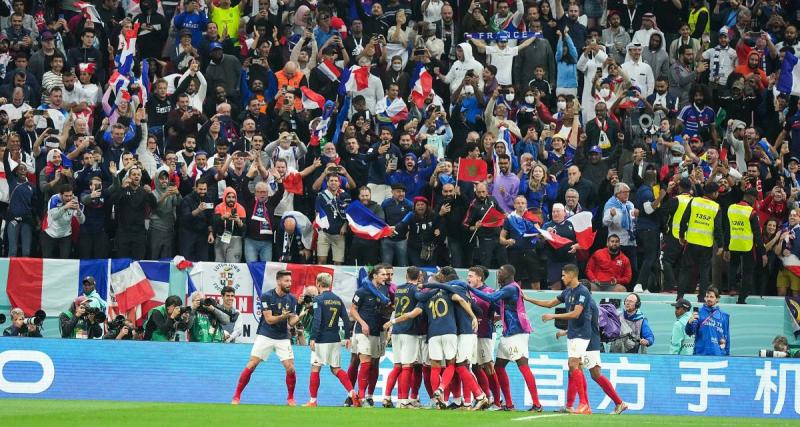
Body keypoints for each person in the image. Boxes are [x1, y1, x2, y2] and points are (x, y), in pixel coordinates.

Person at [469, 264, 543, 412]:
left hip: (517, 333)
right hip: (508, 333)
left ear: (509, 274)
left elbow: (491, 298)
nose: (498, 274)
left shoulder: (511, 288)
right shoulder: (506, 289)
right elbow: (498, 305)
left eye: (501, 271)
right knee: (498, 367)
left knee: (523, 366)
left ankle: (537, 404)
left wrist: (470, 289)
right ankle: (507, 404)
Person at [232, 270, 299, 405]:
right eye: (286, 281)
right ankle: (236, 396)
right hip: (266, 334)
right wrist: (283, 317)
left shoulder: (292, 299)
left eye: (290, 281)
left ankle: (290, 398)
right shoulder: (266, 296)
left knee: (290, 368)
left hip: (282, 337)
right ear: (278, 281)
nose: (289, 284)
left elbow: (290, 322)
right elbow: (268, 319)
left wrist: (296, 318)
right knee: (252, 364)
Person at [532, 264, 592, 415]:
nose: (562, 277)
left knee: (573, 364)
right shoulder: (567, 291)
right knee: (575, 368)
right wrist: (527, 298)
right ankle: (574, 405)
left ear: (572, 275)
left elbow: (575, 314)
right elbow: (549, 304)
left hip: (582, 333)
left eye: (564, 275)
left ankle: (584, 403)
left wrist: (553, 316)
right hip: (572, 333)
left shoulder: (582, 292)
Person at [305, 272, 359, 407]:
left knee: (315, 368)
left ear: (318, 284)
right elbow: (346, 319)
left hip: (321, 339)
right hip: (335, 339)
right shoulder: (337, 299)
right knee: (336, 368)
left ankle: (312, 401)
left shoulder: (318, 299)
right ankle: (352, 392)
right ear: (330, 284)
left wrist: (313, 337)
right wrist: (347, 336)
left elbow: (317, 319)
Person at [382, 267, 424, 409]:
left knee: (397, 365)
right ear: (418, 277)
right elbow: (418, 304)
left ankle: (387, 397)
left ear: (406, 275)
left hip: (396, 332)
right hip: (409, 330)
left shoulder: (399, 289)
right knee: (407, 366)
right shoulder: (415, 291)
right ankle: (403, 401)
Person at [350, 265, 392, 405]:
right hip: (363, 331)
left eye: (386, 274)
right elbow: (353, 310)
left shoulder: (385, 291)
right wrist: (363, 323)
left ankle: (369, 395)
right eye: (383, 274)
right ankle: (358, 396)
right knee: (363, 362)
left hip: (379, 331)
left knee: (375, 364)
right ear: (374, 275)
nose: (385, 277)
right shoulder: (362, 291)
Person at [678, 182, 723, 301]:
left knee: (685, 270)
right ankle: (702, 297)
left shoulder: (693, 201)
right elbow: (718, 228)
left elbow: (684, 220)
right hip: (706, 244)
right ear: (714, 193)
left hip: (691, 241)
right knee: (704, 272)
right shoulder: (716, 207)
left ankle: (680, 296)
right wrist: (721, 245)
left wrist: (681, 235)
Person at [723, 188, 765, 304]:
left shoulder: (731, 208)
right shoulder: (751, 212)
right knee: (747, 272)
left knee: (733, 267)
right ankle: (741, 299)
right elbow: (757, 234)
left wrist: (726, 248)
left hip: (734, 245)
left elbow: (728, 230)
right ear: (752, 198)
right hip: (747, 246)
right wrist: (763, 253)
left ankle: (731, 288)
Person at [686, 287, 730, 356]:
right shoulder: (699, 312)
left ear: (717, 299)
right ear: (705, 298)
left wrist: (727, 355)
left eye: (712, 297)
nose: (709, 299)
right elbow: (689, 332)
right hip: (701, 354)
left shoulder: (724, 316)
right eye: (707, 296)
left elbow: (726, 337)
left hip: (718, 355)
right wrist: (689, 323)